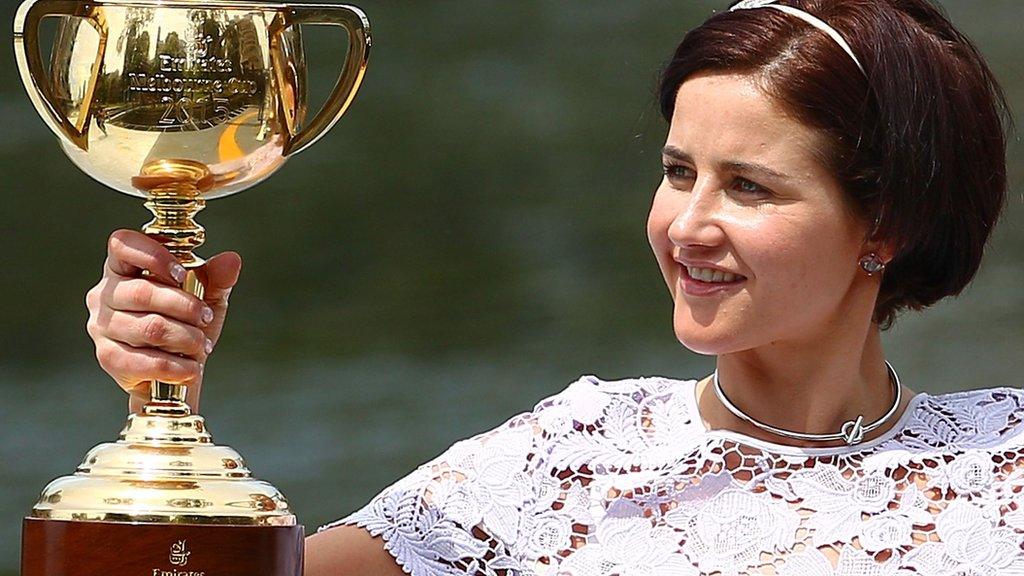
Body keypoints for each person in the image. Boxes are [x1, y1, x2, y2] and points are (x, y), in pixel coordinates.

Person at [84, 0, 1020, 574]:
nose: (687, 225)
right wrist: (167, 415)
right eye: (678, 171)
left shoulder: (1007, 455)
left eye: (750, 186)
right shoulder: (562, 463)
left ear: (886, 226)